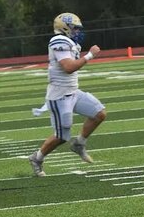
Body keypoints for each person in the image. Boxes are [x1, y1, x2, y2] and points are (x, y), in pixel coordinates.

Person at [28, 13, 105, 177]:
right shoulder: (58, 41)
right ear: (64, 28)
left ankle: (79, 144)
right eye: (75, 28)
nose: (78, 31)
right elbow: (68, 67)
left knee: (99, 114)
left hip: (73, 92)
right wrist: (90, 55)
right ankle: (37, 157)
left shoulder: (70, 42)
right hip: (59, 95)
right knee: (62, 136)